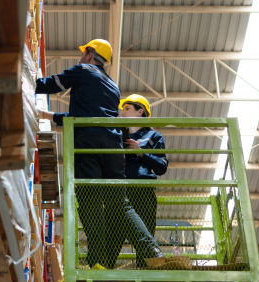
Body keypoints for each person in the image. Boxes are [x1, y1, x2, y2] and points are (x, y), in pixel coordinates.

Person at [35, 40, 166, 269]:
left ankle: (98, 263)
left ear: (90, 54)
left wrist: (23, 83)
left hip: (89, 144)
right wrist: (48, 115)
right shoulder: (112, 86)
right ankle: (152, 250)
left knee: (90, 201)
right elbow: (85, 114)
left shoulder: (83, 70)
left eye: (83, 53)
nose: (80, 58)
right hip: (113, 147)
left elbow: (52, 84)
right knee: (121, 205)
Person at [119, 94, 169, 267]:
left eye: (127, 108)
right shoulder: (117, 135)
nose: (123, 112)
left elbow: (161, 167)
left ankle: (145, 270)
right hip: (120, 191)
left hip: (143, 190)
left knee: (145, 233)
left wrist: (141, 153)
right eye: (122, 109)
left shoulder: (153, 136)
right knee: (113, 232)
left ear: (140, 111)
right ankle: (104, 268)